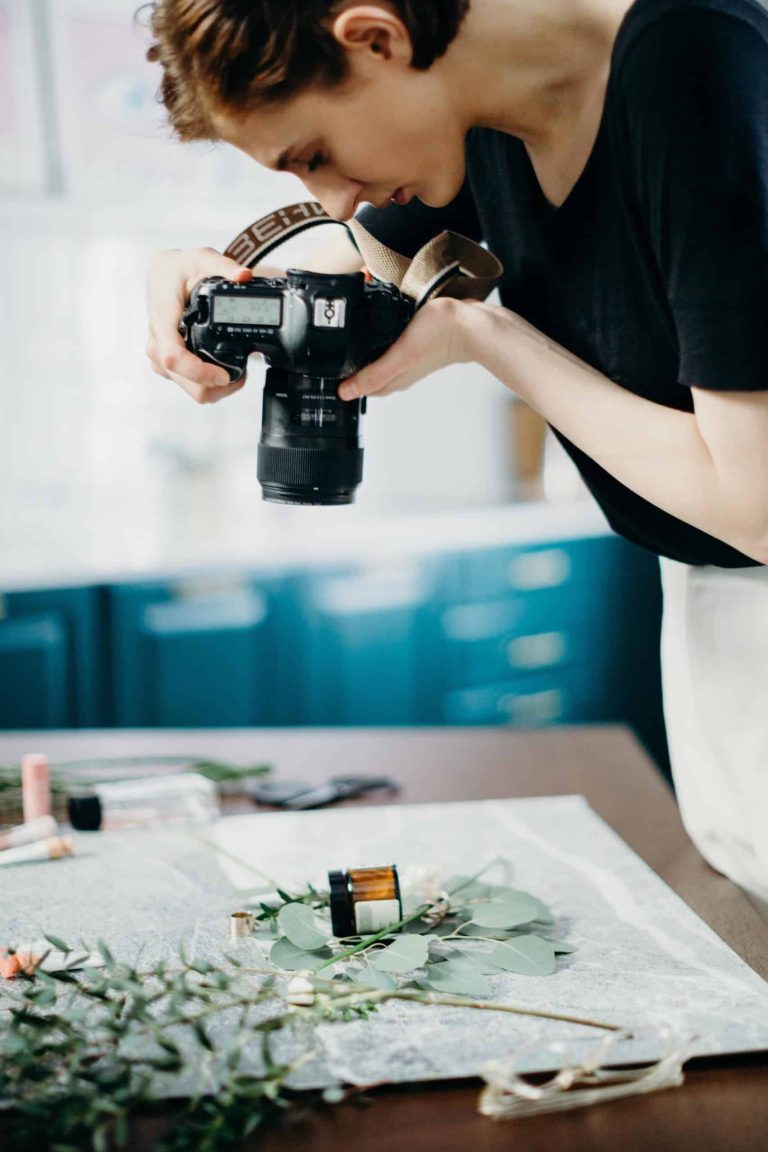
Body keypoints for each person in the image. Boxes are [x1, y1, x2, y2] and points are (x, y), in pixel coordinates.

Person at [144, 0, 768, 913]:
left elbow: (755, 506)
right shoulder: (480, 123)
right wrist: (200, 278)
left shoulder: (693, 63)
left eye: (314, 154)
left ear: (375, 38)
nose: (335, 197)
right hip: (707, 612)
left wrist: (491, 338)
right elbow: (353, 286)